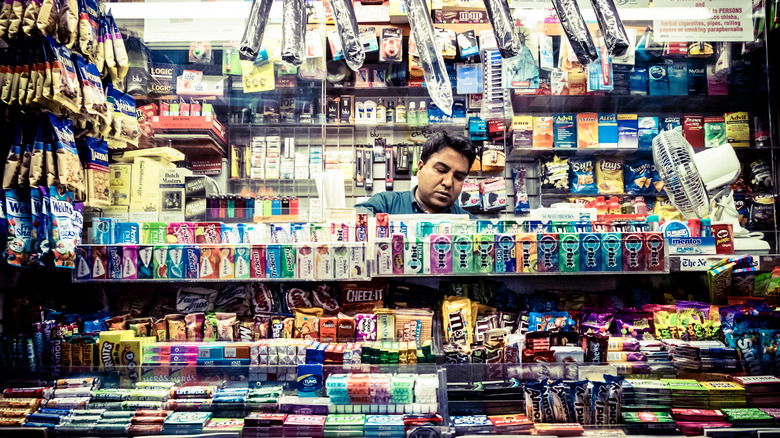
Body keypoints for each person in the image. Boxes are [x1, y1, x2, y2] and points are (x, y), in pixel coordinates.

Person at [355, 132, 477, 215]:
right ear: (420, 168)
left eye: (459, 177)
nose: (448, 182)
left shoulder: (470, 225)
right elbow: (356, 216)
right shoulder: (386, 204)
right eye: (441, 170)